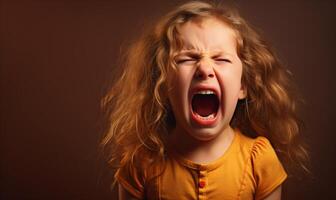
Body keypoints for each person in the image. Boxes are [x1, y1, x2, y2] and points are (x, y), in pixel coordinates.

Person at [101, 1, 309, 199]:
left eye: (221, 59)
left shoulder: (260, 161)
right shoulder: (141, 164)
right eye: (187, 58)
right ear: (163, 85)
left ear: (243, 85)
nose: (204, 68)